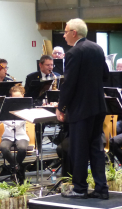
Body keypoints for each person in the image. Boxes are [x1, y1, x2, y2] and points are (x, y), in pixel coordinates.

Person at [56, 18, 109, 199]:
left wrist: (61, 107)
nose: (63, 36)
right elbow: (105, 75)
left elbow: (69, 84)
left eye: (65, 32)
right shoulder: (97, 48)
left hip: (80, 109)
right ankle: (101, 188)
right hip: (98, 107)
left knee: (78, 150)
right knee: (96, 148)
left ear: (74, 33)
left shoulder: (73, 53)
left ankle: (79, 188)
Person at [0, 84, 30, 184]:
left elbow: (17, 125)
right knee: (4, 147)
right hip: (8, 136)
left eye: (19, 98)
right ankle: (17, 168)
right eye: (14, 98)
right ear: (10, 97)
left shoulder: (25, 109)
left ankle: (14, 170)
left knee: (22, 148)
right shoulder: (4, 109)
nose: (17, 101)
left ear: (23, 96)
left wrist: (4, 119)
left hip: (21, 135)